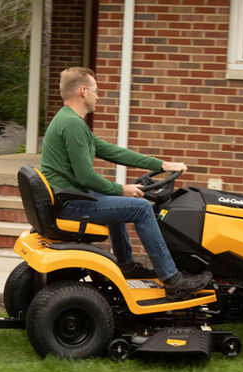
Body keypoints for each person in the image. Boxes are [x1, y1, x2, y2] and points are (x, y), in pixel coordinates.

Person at [40, 66, 212, 299]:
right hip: (71, 204)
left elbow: (112, 151)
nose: (98, 95)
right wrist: (122, 189)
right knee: (141, 208)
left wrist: (161, 165)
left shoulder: (70, 121)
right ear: (83, 91)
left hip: (70, 197)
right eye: (96, 90)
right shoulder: (71, 124)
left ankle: (126, 266)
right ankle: (173, 280)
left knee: (121, 200)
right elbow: (85, 177)